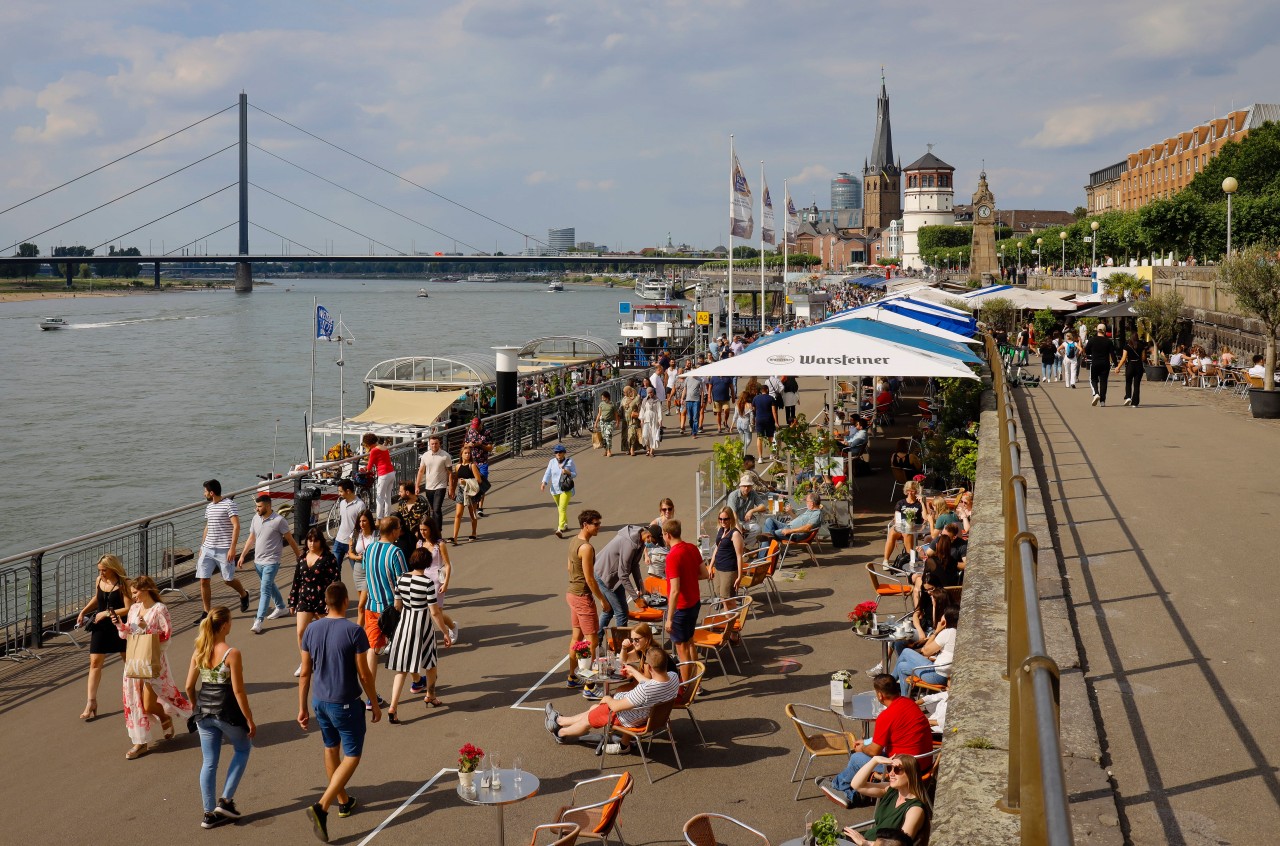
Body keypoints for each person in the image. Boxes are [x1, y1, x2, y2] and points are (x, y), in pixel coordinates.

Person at [298, 582, 381, 843]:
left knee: (330, 748)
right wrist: (374, 703)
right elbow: (364, 674)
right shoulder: (354, 631)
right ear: (346, 601)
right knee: (353, 755)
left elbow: (304, 672)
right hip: (345, 703)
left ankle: (343, 801)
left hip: (319, 701)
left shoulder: (311, 629)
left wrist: (302, 707)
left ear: (326, 602)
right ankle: (322, 806)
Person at [184, 606, 256, 829]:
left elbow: (188, 686)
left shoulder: (199, 651)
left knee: (209, 762)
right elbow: (238, 691)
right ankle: (225, 800)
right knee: (243, 748)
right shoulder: (231, 653)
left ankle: (208, 813)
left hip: (204, 712)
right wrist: (249, 719)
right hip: (226, 712)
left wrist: (196, 705)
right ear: (224, 625)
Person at [817, 675, 933, 808]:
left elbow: (874, 751)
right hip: (924, 763)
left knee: (856, 758)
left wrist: (863, 748)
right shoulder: (909, 703)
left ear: (880, 695)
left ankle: (840, 788)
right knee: (866, 751)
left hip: (905, 768)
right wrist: (866, 744)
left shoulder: (886, 716)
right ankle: (851, 785)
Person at [110, 575, 193, 760]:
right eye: (132, 593)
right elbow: (127, 635)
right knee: (134, 702)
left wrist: (147, 627)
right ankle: (140, 742)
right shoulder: (133, 609)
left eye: (136, 592)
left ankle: (165, 718)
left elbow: (166, 635)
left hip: (153, 660)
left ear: (146, 589)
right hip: (135, 660)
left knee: (148, 704)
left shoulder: (159, 609)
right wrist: (120, 625)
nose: (133, 597)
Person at [545, 647, 680, 753]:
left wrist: (608, 698)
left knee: (591, 716)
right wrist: (634, 672)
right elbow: (650, 682)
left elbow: (616, 707)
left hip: (627, 718)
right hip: (650, 717)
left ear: (650, 667)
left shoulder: (645, 691)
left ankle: (560, 733)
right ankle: (560, 720)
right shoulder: (673, 677)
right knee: (594, 709)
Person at [385, 548, 453, 720]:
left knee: (402, 669)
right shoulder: (427, 583)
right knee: (430, 662)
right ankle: (431, 695)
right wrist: (445, 633)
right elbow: (435, 612)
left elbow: (397, 606)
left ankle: (393, 706)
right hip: (422, 626)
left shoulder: (401, 579)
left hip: (404, 624)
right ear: (427, 563)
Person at [76, 554, 132, 721]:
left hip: (119, 626)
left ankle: (140, 693)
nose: (101, 573)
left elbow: (128, 608)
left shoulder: (124, 583)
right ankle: (91, 702)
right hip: (100, 626)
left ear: (113, 568)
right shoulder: (99, 580)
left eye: (104, 570)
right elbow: (98, 598)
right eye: (99, 570)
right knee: (94, 663)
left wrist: (106, 613)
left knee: (129, 663)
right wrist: (83, 611)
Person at [237, 493, 303, 634]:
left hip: (272, 562)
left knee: (265, 590)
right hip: (258, 562)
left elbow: (291, 540)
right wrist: (242, 555)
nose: (257, 509)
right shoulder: (255, 518)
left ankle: (258, 620)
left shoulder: (279, 521)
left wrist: (299, 556)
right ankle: (281, 607)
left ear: (268, 506)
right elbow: (251, 538)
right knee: (270, 584)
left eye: (259, 506)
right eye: (256, 506)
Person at [361, 516, 406, 708]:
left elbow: (366, 574)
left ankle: (371, 695)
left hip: (372, 607)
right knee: (404, 647)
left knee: (373, 648)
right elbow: (402, 582)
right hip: (391, 609)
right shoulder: (396, 552)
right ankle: (418, 680)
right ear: (394, 531)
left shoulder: (369, 549)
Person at [839, 754, 931, 846]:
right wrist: (874, 760)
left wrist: (865, 843)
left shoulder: (915, 809)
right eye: (889, 768)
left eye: (897, 769)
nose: (891, 773)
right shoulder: (891, 790)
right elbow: (856, 784)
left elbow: (901, 844)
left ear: (910, 773)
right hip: (867, 839)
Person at [564, 509, 606, 694]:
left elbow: (568, 567)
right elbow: (590, 579)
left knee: (577, 638)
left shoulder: (574, 541)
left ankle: (573, 677)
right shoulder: (587, 548)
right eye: (595, 524)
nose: (599, 527)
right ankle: (589, 685)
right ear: (585, 525)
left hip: (572, 594)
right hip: (582, 597)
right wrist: (603, 600)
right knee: (592, 642)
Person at [290, 527, 342, 676]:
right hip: (304, 599)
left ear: (321, 541)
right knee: (301, 632)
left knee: (327, 634)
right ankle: (305, 661)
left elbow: (335, 581)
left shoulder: (329, 558)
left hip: (322, 599)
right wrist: (292, 601)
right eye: (310, 540)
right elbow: (297, 580)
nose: (312, 543)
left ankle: (329, 661)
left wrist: (332, 601)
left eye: (315, 540)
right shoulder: (302, 557)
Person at [196, 480, 250, 620]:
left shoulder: (229, 505)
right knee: (203, 580)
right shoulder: (209, 507)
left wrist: (233, 548)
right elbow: (207, 527)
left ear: (211, 492)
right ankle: (206, 612)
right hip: (207, 549)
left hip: (224, 550)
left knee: (228, 580)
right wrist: (202, 546)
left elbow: (236, 526)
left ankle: (244, 594)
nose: (204, 493)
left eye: (205, 491)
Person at [593, 525, 649, 642]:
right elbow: (623, 575)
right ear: (648, 536)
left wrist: (640, 588)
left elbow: (634, 565)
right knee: (621, 613)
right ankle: (621, 647)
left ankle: (596, 642)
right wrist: (636, 599)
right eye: (653, 541)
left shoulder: (640, 540)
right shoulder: (629, 544)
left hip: (614, 577)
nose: (652, 544)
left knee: (610, 610)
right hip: (605, 576)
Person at [662, 519, 702, 681]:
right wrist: (689, 578)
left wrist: (669, 619)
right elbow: (704, 574)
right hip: (694, 603)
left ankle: (686, 686)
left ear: (667, 535)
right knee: (690, 642)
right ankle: (696, 681)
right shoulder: (692, 548)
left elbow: (675, 590)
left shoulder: (672, 556)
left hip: (681, 608)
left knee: (682, 650)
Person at [893, 605, 957, 694]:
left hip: (936, 675)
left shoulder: (948, 633)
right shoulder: (957, 632)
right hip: (944, 673)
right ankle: (904, 698)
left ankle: (889, 683)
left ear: (946, 619)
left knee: (906, 652)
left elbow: (925, 651)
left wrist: (936, 631)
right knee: (902, 666)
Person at [416, 517, 460, 646]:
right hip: (422, 580)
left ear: (431, 529)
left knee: (437, 611)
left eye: (425, 530)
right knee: (425, 610)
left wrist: (445, 583)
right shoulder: (419, 543)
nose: (423, 532)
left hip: (436, 580)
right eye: (421, 530)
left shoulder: (439, 544)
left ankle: (452, 627)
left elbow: (447, 565)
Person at [414, 435, 453, 535]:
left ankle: (438, 532)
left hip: (441, 486)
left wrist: (451, 488)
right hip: (429, 487)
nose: (434, 445)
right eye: (432, 444)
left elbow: (450, 473)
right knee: (432, 510)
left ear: (439, 443)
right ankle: (433, 530)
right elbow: (421, 471)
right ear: (429, 444)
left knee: (436, 509)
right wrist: (417, 486)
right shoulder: (425, 456)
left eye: (436, 443)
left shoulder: (445, 456)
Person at [759, 492, 824, 549]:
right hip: (789, 527)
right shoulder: (810, 510)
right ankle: (768, 545)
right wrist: (790, 512)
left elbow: (807, 528)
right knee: (769, 520)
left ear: (812, 503)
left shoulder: (816, 514)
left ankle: (763, 558)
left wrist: (790, 531)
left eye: (807, 501)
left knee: (768, 535)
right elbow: (799, 520)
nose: (806, 503)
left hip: (794, 534)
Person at [348, 511, 377, 631]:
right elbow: (350, 553)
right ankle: (367, 629)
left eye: (364, 521)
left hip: (371, 570)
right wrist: (357, 557)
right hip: (358, 569)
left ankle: (357, 632)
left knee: (360, 606)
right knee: (364, 605)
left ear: (370, 521)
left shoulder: (376, 535)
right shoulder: (355, 535)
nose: (361, 523)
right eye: (360, 521)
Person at [883, 481, 925, 566]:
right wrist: (900, 526)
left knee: (907, 533)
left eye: (912, 490)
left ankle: (910, 559)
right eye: (908, 490)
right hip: (900, 526)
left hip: (914, 528)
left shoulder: (919, 504)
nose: (910, 492)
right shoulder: (901, 503)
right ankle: (885, 561)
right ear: (906, 491)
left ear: (916, 491)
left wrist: (922, 503)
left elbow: (925, 517)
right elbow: (896, 518)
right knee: (892, 532)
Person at [541, 443, 578, 538]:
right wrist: (544, 482)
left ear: (564, 453)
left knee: (562, 508)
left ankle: (560, 529)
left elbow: (575, 474)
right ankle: (565, 524)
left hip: (566, 489)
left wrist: (568, 472)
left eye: (560, 452)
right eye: (556, 452)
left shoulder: (569, 462)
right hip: (555, 489)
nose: (558, 454)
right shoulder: (552, 462)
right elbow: (547, 473)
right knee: (560, 508)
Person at [709, 508, 745, 603]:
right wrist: (711, 566)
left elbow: (739, 556)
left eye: (725, 519)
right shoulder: (721, 529)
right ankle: (727, 616)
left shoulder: (735, 534)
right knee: (721, 596)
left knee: (727, 600)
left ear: (731, 519)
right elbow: (717, 548)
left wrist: (739, 576)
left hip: (729, 570)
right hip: (719, 568)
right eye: (720, 519)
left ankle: (730, 617)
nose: (722, 521)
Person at [331, 478, 366, 572]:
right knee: (334, 569)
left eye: (341, 491)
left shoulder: (360, 505)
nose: (339, 494)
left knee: (356, 570)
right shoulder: (342, 503)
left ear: (348, 491)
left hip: (352, 543)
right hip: (339, 540)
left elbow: (362, 525)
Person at [361, 433, 397, 519]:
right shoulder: (383, 447)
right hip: (391, 473)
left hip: (384, 475)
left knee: (379, 498)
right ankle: (387, 517)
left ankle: (379, 519)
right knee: (387, 497)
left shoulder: (374, 450)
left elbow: (369, 467)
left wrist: (364, 469)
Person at [450, 446, 481, 545]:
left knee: (472, 514)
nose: (467, 455)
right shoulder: (458, 466)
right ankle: (454, 537)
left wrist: (466, 481)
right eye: (465, 453)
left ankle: (474, 533)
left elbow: (479, 480)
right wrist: (452, 490)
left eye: (469, 453)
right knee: (458, 514)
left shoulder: (472, 466)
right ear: (461, 454)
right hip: (460, 491)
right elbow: (455, 479)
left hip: (471, 492)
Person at [463, 416, 493, 517]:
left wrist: (480, 445)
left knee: (482, 484)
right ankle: (474, 503)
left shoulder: (487, 432)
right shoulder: (470, 432)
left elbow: (490, 448)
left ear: (481, 425)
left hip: (483, 462)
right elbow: (464, 446)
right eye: (473, 427)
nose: (475, 429)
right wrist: (470, 445)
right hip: (472, 463)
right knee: (472, 483)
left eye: (477, 427)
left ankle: (480, 507)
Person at [395, 481, 430, 559]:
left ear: (407, 492)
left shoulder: (422, 504)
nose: (399, 493)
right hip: (404, 540)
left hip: (418, 540)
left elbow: (426, 523)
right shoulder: (401, 503)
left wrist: (418, 534)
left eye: (401, 491)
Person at [1085, 323, 1115, 407]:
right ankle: (1102, 401)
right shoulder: (1109, 341)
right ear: (1105, 331)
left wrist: (1093, 351)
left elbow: (1086, 351)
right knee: (1104, 382)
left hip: (1095, 362)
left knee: (1093, 379)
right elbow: (1112, 354)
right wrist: (1116, 365)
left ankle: (1096, 393)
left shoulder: (1092, 340)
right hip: (1105, 363)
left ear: (1097, 330)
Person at [1115, 334, 1146, 408]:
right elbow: (1143, 357)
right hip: (1139, 365)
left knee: (1128, 382)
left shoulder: (1127, 346)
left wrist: (1118, 367)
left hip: (1130, 365)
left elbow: (1124, 358)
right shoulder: (1142, 346)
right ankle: (1135, 403)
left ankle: (1128, 397)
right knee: (1136, 385)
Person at [752, 383, 778, 458]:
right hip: (769, 419)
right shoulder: (771, 398)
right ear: (767, 390)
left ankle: (760, 457)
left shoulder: (755, 398)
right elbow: (774, 411)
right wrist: (776, 422)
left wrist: (754, 419)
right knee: (770, 437)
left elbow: (753, 409)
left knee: (759, 438)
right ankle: (772, 454)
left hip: (759, 419)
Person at [595, 390, 620, 457]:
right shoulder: (601, 404)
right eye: (602, 398)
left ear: (607, 397)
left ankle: (609, 450)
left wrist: (617, 422)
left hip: (610, 422)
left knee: (608, 436)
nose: (602, 399)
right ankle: (605, 450)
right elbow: (599, 414)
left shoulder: (612, 404)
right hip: (602, 422)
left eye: (603, 397)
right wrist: (596, 422)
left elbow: (616, 414)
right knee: (603, 437)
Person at [679, 369, 704, 437]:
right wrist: (682, 398)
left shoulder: (699, 380)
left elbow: (702, 391)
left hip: (696, 401)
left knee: (695, 417)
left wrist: (702, 401)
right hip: (688, 400)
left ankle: (694, 432)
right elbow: (685, 389)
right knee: (690, 418)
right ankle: (693, 428)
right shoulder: (687, 379)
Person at [639, 387, 663, 457]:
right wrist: (641, 419)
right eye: (649, 392)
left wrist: (660, 420)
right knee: (645, 435)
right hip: (646, 419)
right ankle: (648, 449)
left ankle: (651, 451)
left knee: (653, 435)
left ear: (653, 392)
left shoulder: (657, 400)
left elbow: (659, 411)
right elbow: (642, 410)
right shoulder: (644, 400)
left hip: (654, 419)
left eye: (651, 392)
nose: (650, 394)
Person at [620, 385, 642, 456]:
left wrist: (639, 416)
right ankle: (627, 448)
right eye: (623, 392)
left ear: (629, 391)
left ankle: (632, 448)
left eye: (625, 392)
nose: (624, 393)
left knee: (632, 434)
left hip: (633, 419)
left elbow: (640, 408)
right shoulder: (624, 399)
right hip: (625, 420)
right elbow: (621, 409)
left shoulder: (637, 398)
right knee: (626, 435)